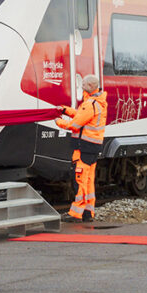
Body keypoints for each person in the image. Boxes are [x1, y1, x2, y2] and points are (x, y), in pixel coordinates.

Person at [55, 75, 107, 222]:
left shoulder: (89, 104)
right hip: (93, 147)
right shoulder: (98, 102)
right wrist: (65, 110)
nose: (81, 86)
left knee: (80, 180)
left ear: (89, 86)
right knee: (89, 181)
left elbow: (74, 125)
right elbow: (81, 115)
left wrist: (58, 121)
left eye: (83, 84)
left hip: (83, 147)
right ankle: (88, 212)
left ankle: (76, 213)